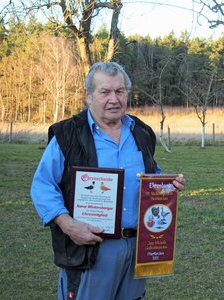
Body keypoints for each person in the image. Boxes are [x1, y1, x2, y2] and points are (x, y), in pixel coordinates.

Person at [30, 62, 185, 300]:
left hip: (136, 247)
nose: (114, 99)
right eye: (105, 92)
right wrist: (69, 226)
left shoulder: (141, 132)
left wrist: (166, 185)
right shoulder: (68, 134)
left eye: (120, 91)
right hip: (90, 248)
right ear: (88, 95)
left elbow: (149, 174)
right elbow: (42, 185)